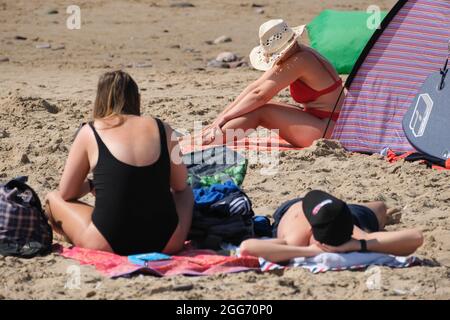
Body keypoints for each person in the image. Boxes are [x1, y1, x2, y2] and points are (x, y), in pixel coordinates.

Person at [45, 70, 193, 256]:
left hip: (107, 242)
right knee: (186, 192)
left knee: (53, 198)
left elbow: (67, 193)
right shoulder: (164, 129)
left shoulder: (90, 131)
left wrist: (91, 184)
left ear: (100, 99)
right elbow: (180, 185)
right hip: (166, 242)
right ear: (137, 98)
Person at [200, 19, 345, 147]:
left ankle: (211, 140)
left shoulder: (300, 60)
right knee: (255, 106)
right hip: (322, 121)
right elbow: (254, 88)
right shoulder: (298, 52)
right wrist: (220, 118)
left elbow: (260, 96)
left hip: (328, 129)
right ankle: (215, 134)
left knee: (261, 110)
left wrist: (224, 119)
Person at [240, 190, 423, 263]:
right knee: (380, 208)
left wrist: (311, 251)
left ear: (311, 230)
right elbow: (415, 237)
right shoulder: (357, 235)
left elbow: (247, 248)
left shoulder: (296, 239)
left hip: (300, 211)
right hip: (341, 213)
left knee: (380, 209)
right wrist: (361, 244)